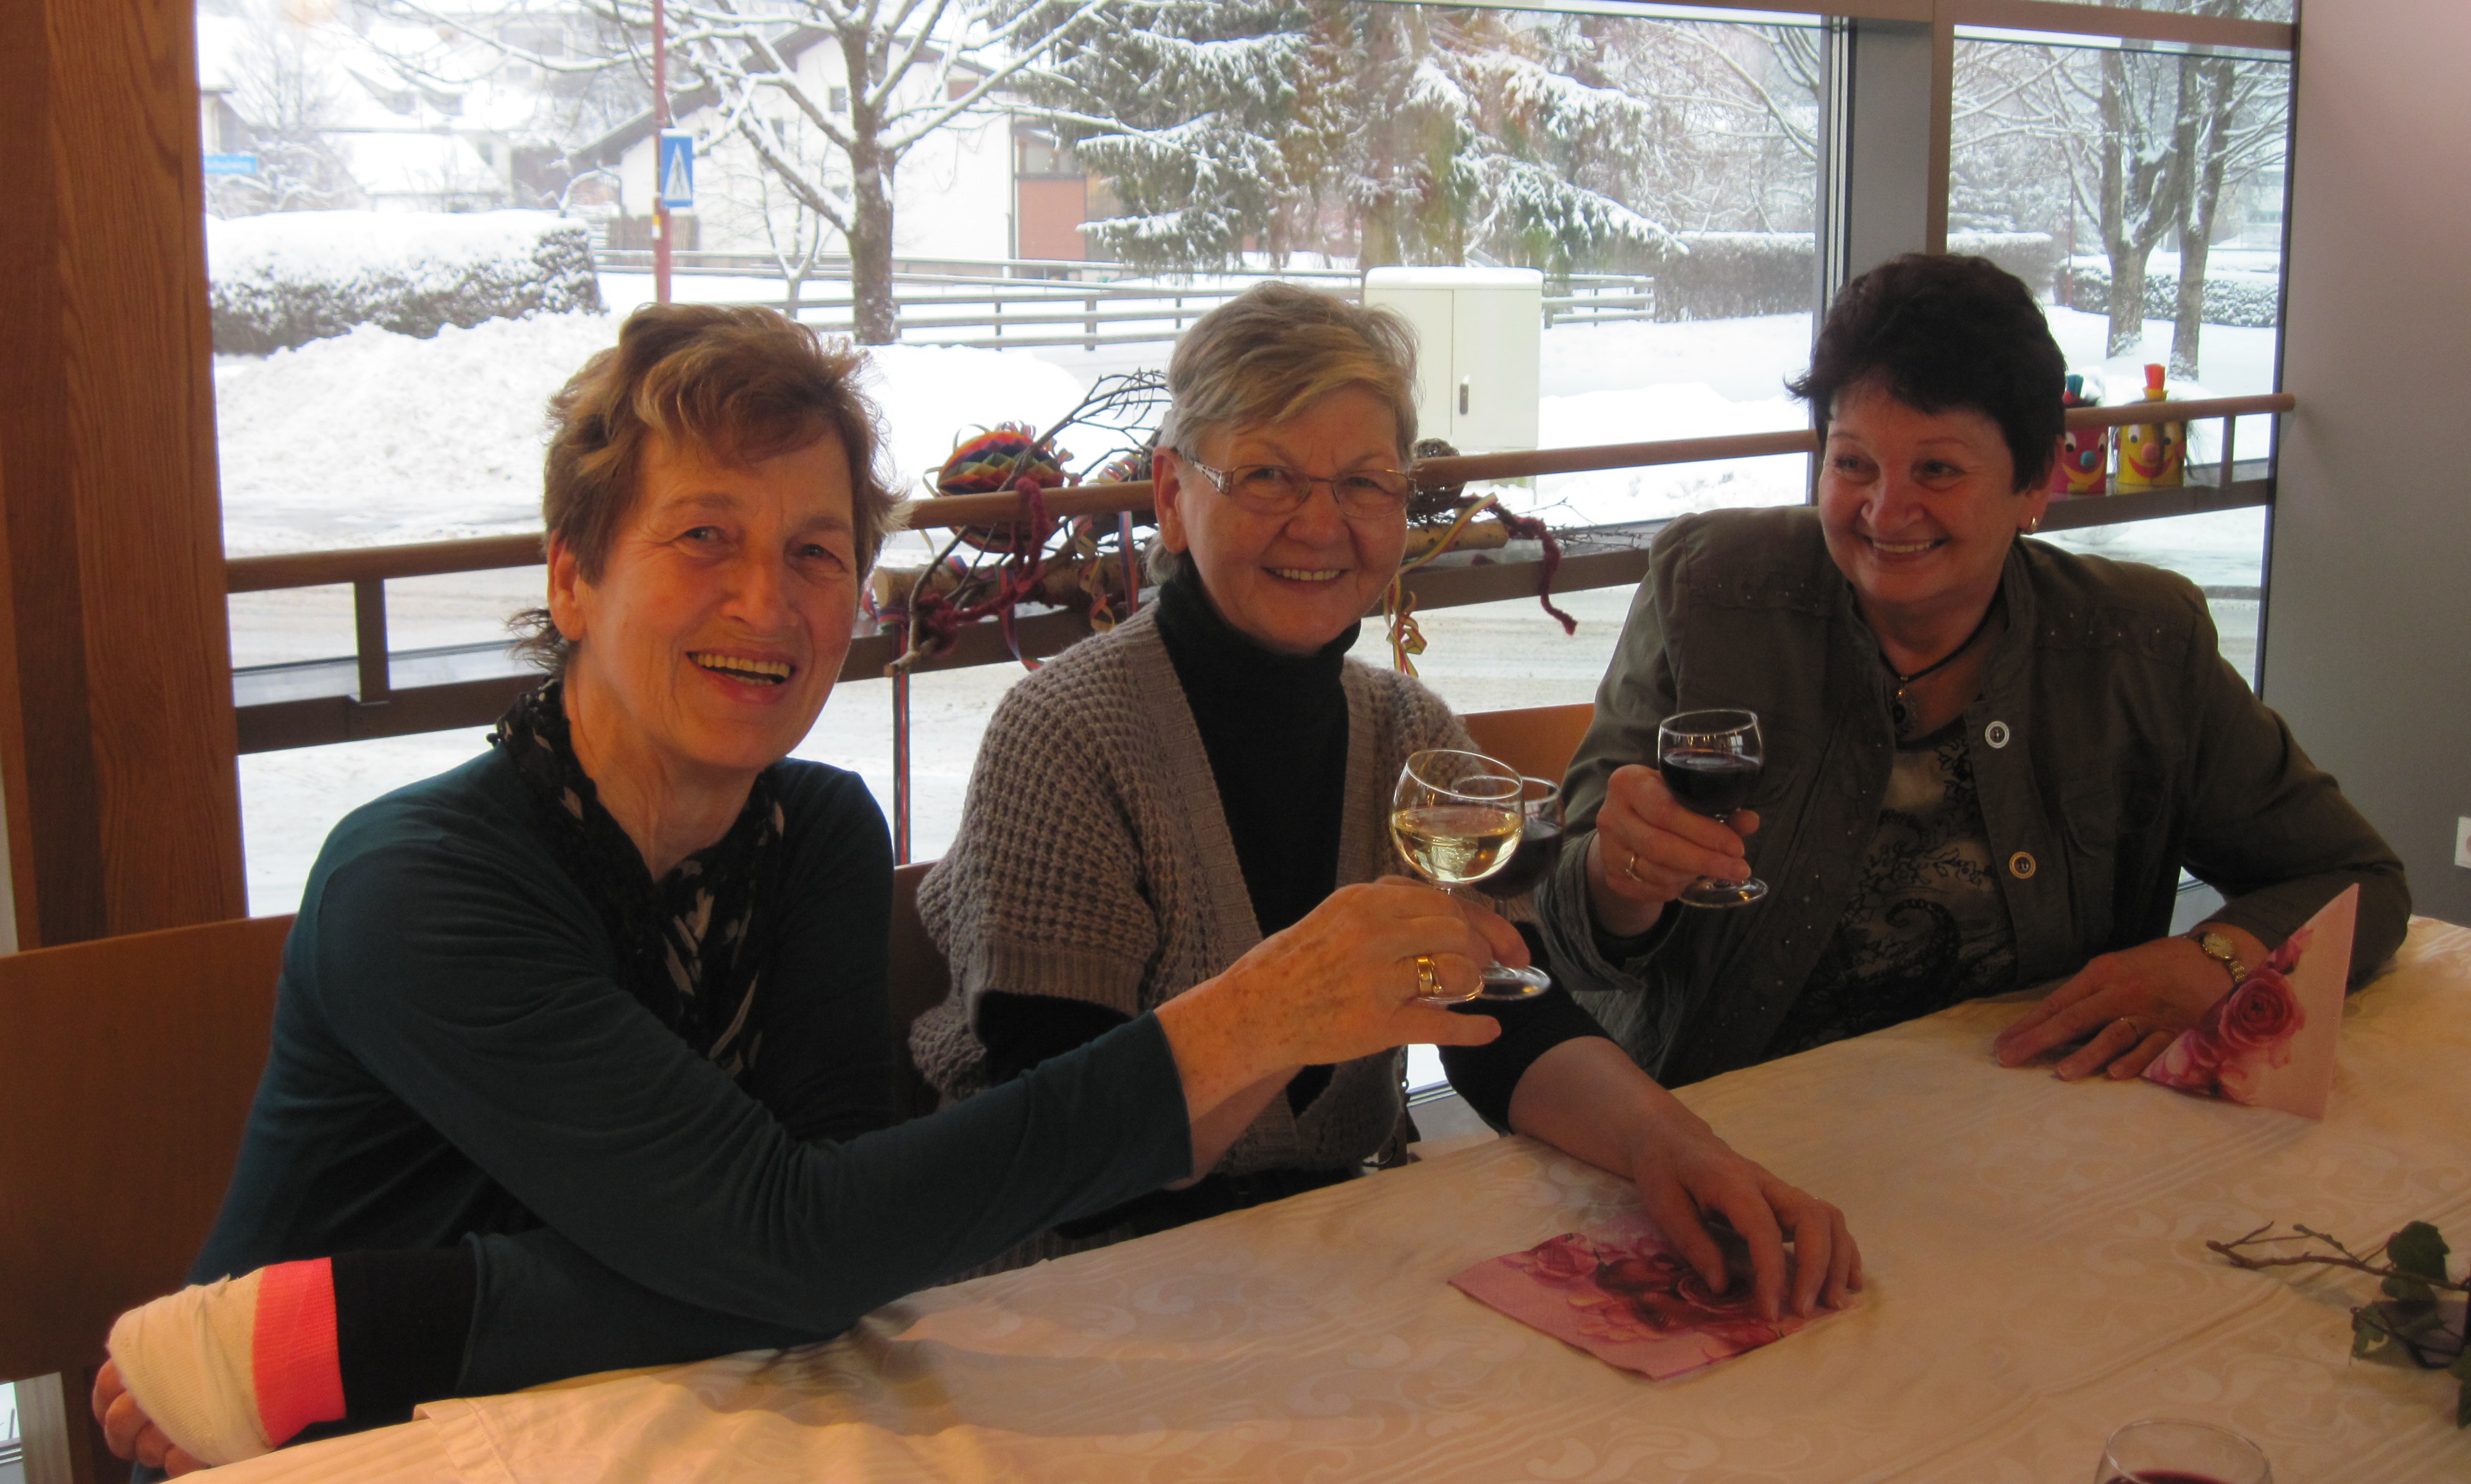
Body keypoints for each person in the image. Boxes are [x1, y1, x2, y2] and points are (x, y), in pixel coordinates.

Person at [94, 305, 1531, 1475]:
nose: (764, 601)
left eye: (814, 552)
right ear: (573, 578)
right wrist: (1253, 1018)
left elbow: (822, 1243)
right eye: (701, 537)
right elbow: (806, 1247)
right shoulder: (419, 884)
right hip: (327, 1445)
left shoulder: (814, 835)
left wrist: (362, 1317)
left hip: (642, 1415)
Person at [912, 283, 1861, 1315]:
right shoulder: (1067, 735)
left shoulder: (1409, 734)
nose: (1321, 524)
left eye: (1364, 483)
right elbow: (1069, 1160)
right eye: (1268, 475)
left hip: (1315, 1260)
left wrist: (1671, 1147)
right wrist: (1285, 1011)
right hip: (1069, 1293)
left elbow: (1507, 1022)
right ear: (1172, 496)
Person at [1534, 253, 2409, 1089]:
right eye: (1853, 463)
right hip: (1731, 1118)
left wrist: (2217, 960)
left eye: (1938, 470)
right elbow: (1561, 935)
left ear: (2037, 482)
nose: (1886, 511)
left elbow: (2358, 881)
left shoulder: (2141, 646)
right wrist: (1619, 876)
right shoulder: (1712, 592)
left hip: (2036, 1123)